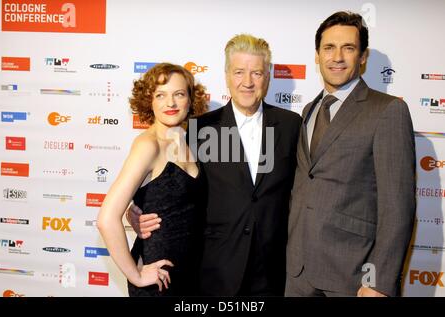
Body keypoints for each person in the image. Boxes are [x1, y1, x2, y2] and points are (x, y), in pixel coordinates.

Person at [128, 34, 302, 296]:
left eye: (256, 73)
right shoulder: (200, 128)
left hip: (271, 272)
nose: (247, 82)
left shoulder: (291, 125)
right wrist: (138, 208)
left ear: (267, 76)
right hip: (213, 271)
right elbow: (175, 186)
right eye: (239, 72)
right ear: (226, 75)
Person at [285, 11, 416, 297]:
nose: (338, 57)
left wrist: (377, 282)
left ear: (363, 56)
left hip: (352, 277)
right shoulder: (309, 110)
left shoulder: (387, 110)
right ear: (317, 56)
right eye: (329, 48)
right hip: (298, 274)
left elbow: (398, 206)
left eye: (349, 48)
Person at [97, 63, 207, 296]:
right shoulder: (148, 145)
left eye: (179, 94)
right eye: (161, 95)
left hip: (192, 273)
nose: (171, 103)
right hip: (158, 279)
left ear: (190, 99)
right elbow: (106, 218)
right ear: (149, 100)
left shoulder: (192, 143)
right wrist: (135, 275)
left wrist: (134, 210)